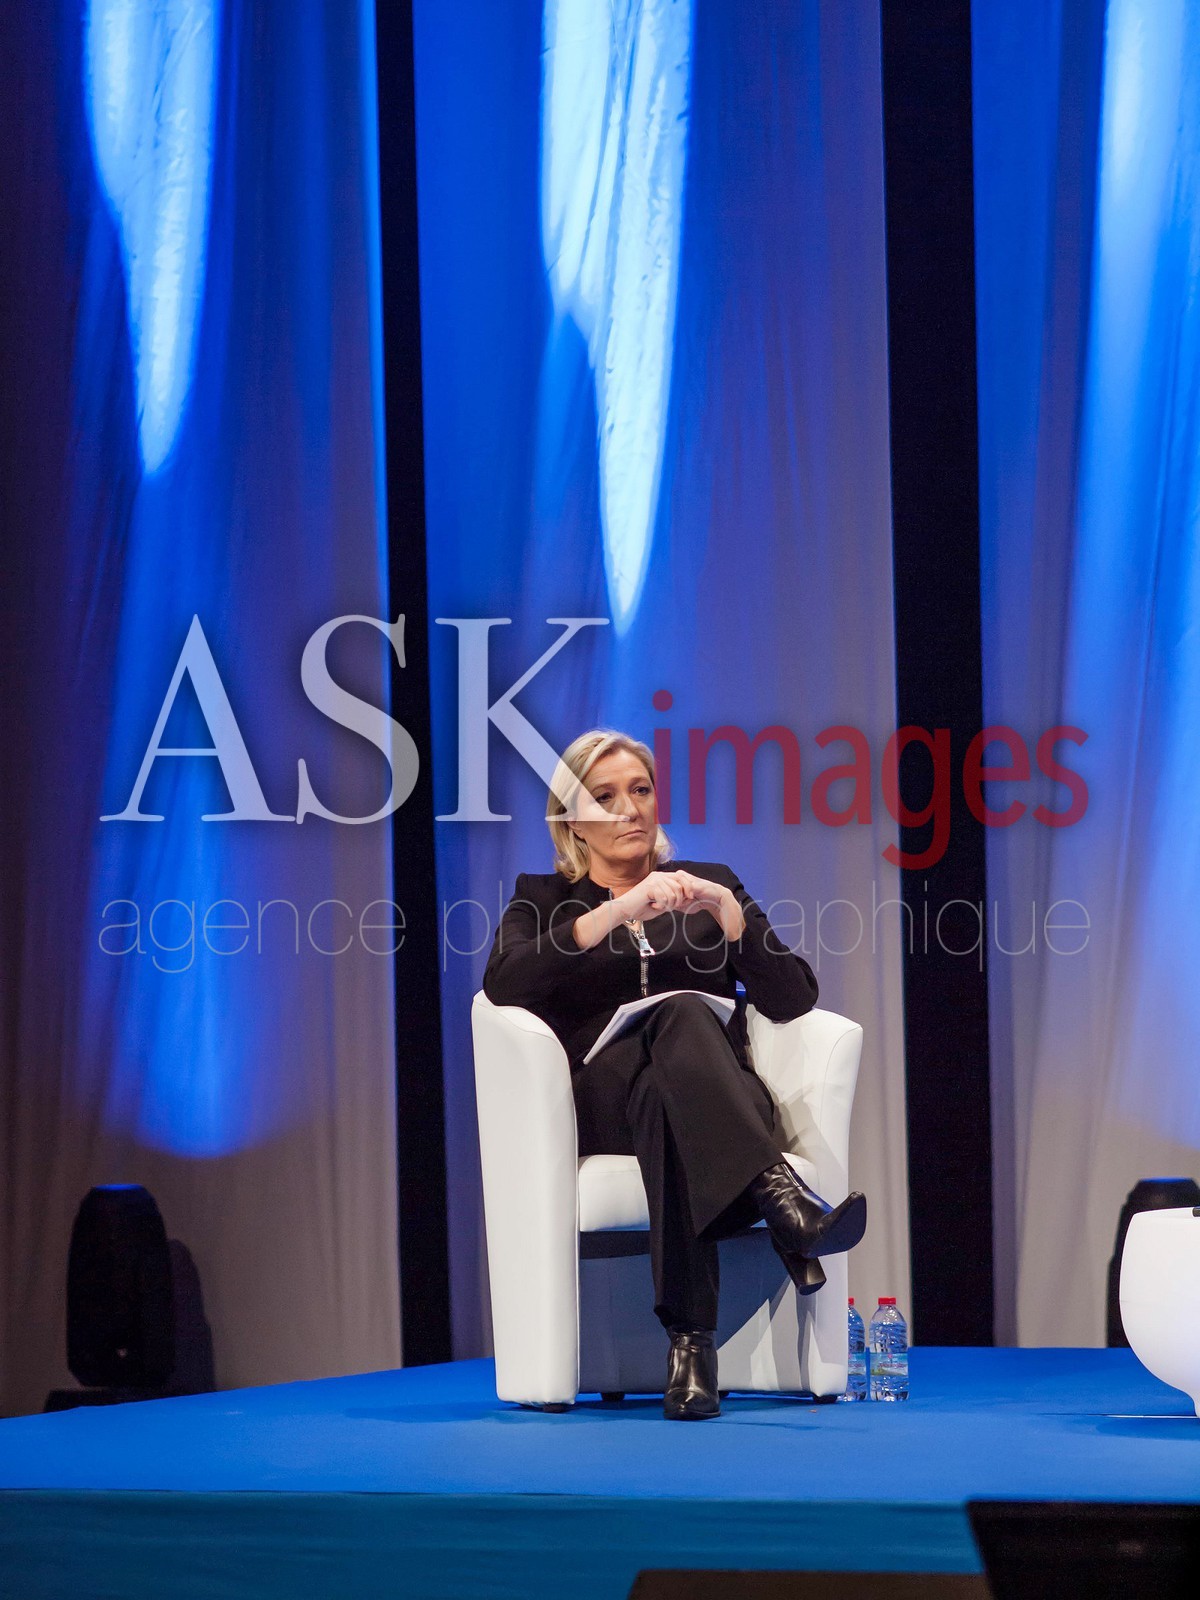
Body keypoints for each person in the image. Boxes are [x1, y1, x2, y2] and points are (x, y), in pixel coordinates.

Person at [482, 729, 866, 1420]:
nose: (630, 808)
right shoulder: (543, 898)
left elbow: (793, 999)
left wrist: (731, 920)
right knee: (675, 1032)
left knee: (671, 1085)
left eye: (641, 790)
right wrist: (615, 913)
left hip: (715, 1099)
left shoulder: (711, 882)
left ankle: (692, 1349)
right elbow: (504, 982)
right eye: (605, 797)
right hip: (603, 1104)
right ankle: (781, 1203)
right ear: (573, 822)